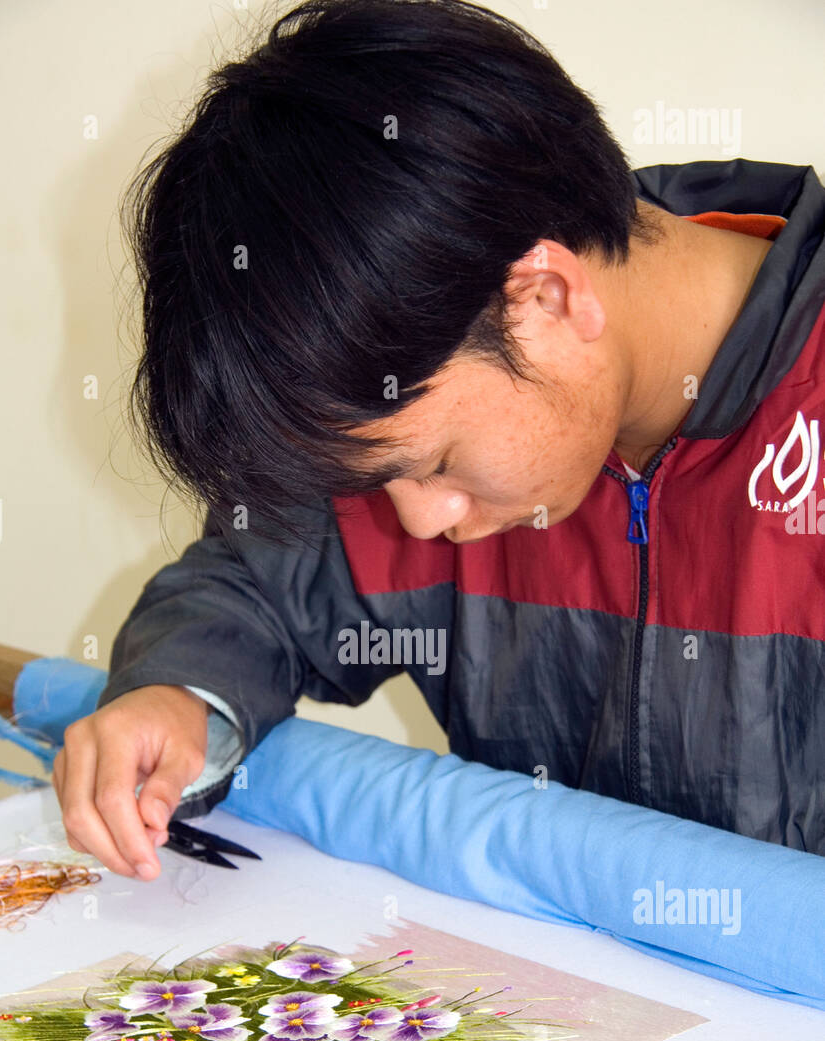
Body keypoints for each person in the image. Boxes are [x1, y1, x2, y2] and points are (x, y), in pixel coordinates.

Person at [53, 0, 825, 878]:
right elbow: (253, 586)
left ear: (546, 299)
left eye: (436, 466)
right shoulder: (413, 360)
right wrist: (178, 695)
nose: (419, 525)